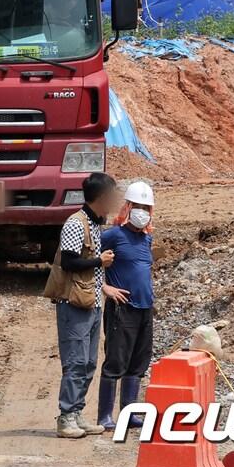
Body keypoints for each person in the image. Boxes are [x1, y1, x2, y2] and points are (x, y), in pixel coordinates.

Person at [51, 172, 123, 439]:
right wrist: (99, 262)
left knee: (90, 361)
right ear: (101, 197)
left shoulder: (94, 223)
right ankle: (66, 416)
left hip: (92, 302)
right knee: (76, 361)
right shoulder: (75, 223)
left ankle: (77, 412)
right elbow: (68, 262)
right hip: (73, 303)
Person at [97, 179, 156, 431]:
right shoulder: (112, 235)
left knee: (138, 361)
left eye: (146, 207)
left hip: (144, 308)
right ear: (127, 206)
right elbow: (88, 262)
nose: (142, 211)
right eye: (137, 206)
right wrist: (105, 287)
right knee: (116, 361)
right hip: (122, 309)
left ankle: (129, 413)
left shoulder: (146, 239)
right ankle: (104, 416)